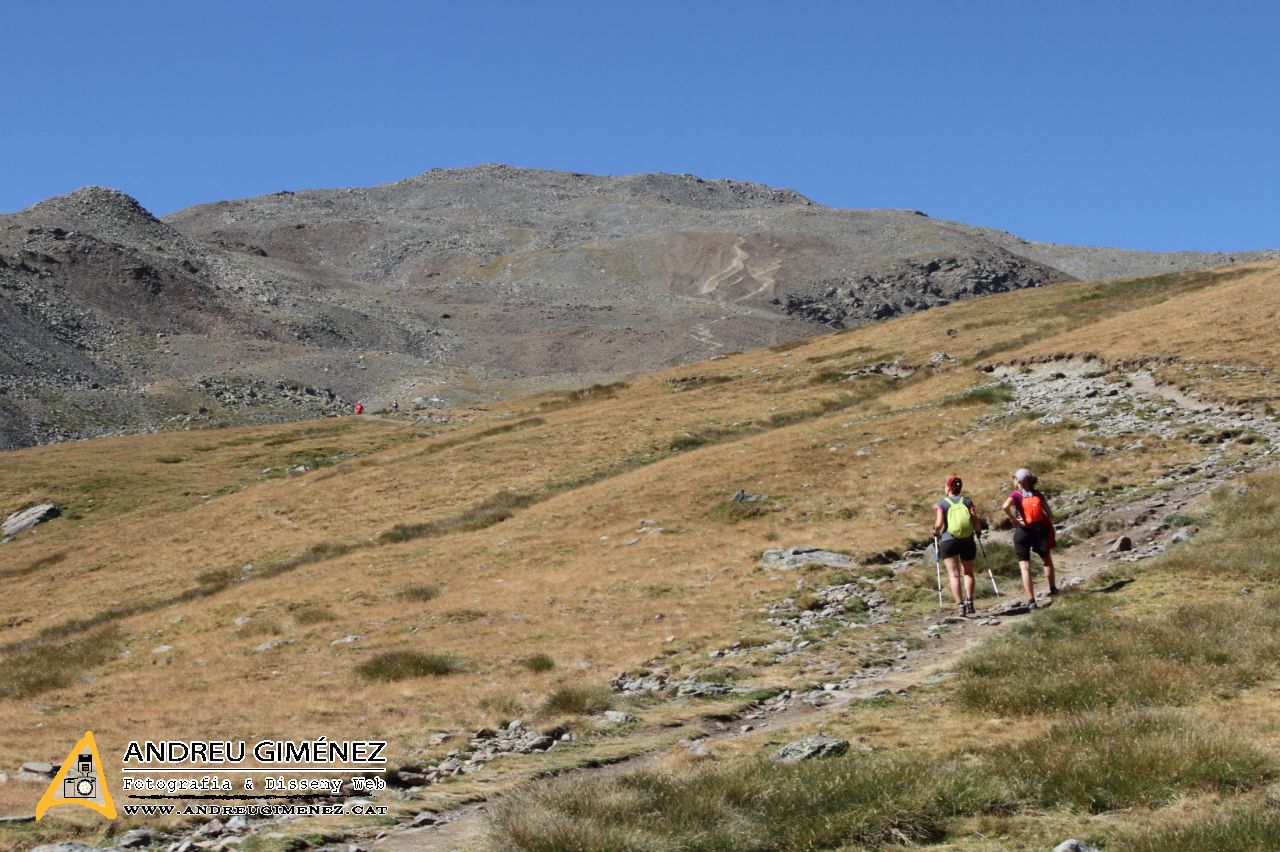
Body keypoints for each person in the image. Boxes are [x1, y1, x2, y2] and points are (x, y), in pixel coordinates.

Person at [1002, 468, 1057, 609]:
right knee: (1047, 561)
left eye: (1014, 478)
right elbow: (1050, 515)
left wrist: (1014, 519)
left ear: (1018, 481)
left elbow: (1005, 506)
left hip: (1022, 532)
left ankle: (1031, 601)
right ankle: (1053, 589)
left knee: (1025, 567)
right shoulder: (1038, 494)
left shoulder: (1016, 495)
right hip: (1039, 532)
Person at [933, 475, 982, 616]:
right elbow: (975, 520)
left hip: (949, 541)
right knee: (968, 572)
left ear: (948, 487)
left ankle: (960, 605)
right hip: (967, 540)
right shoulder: (967, 501)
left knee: (954, 575)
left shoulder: (942, 503)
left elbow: (939, 524)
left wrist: (935, 531)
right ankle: (970, 601)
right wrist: (978, 531)